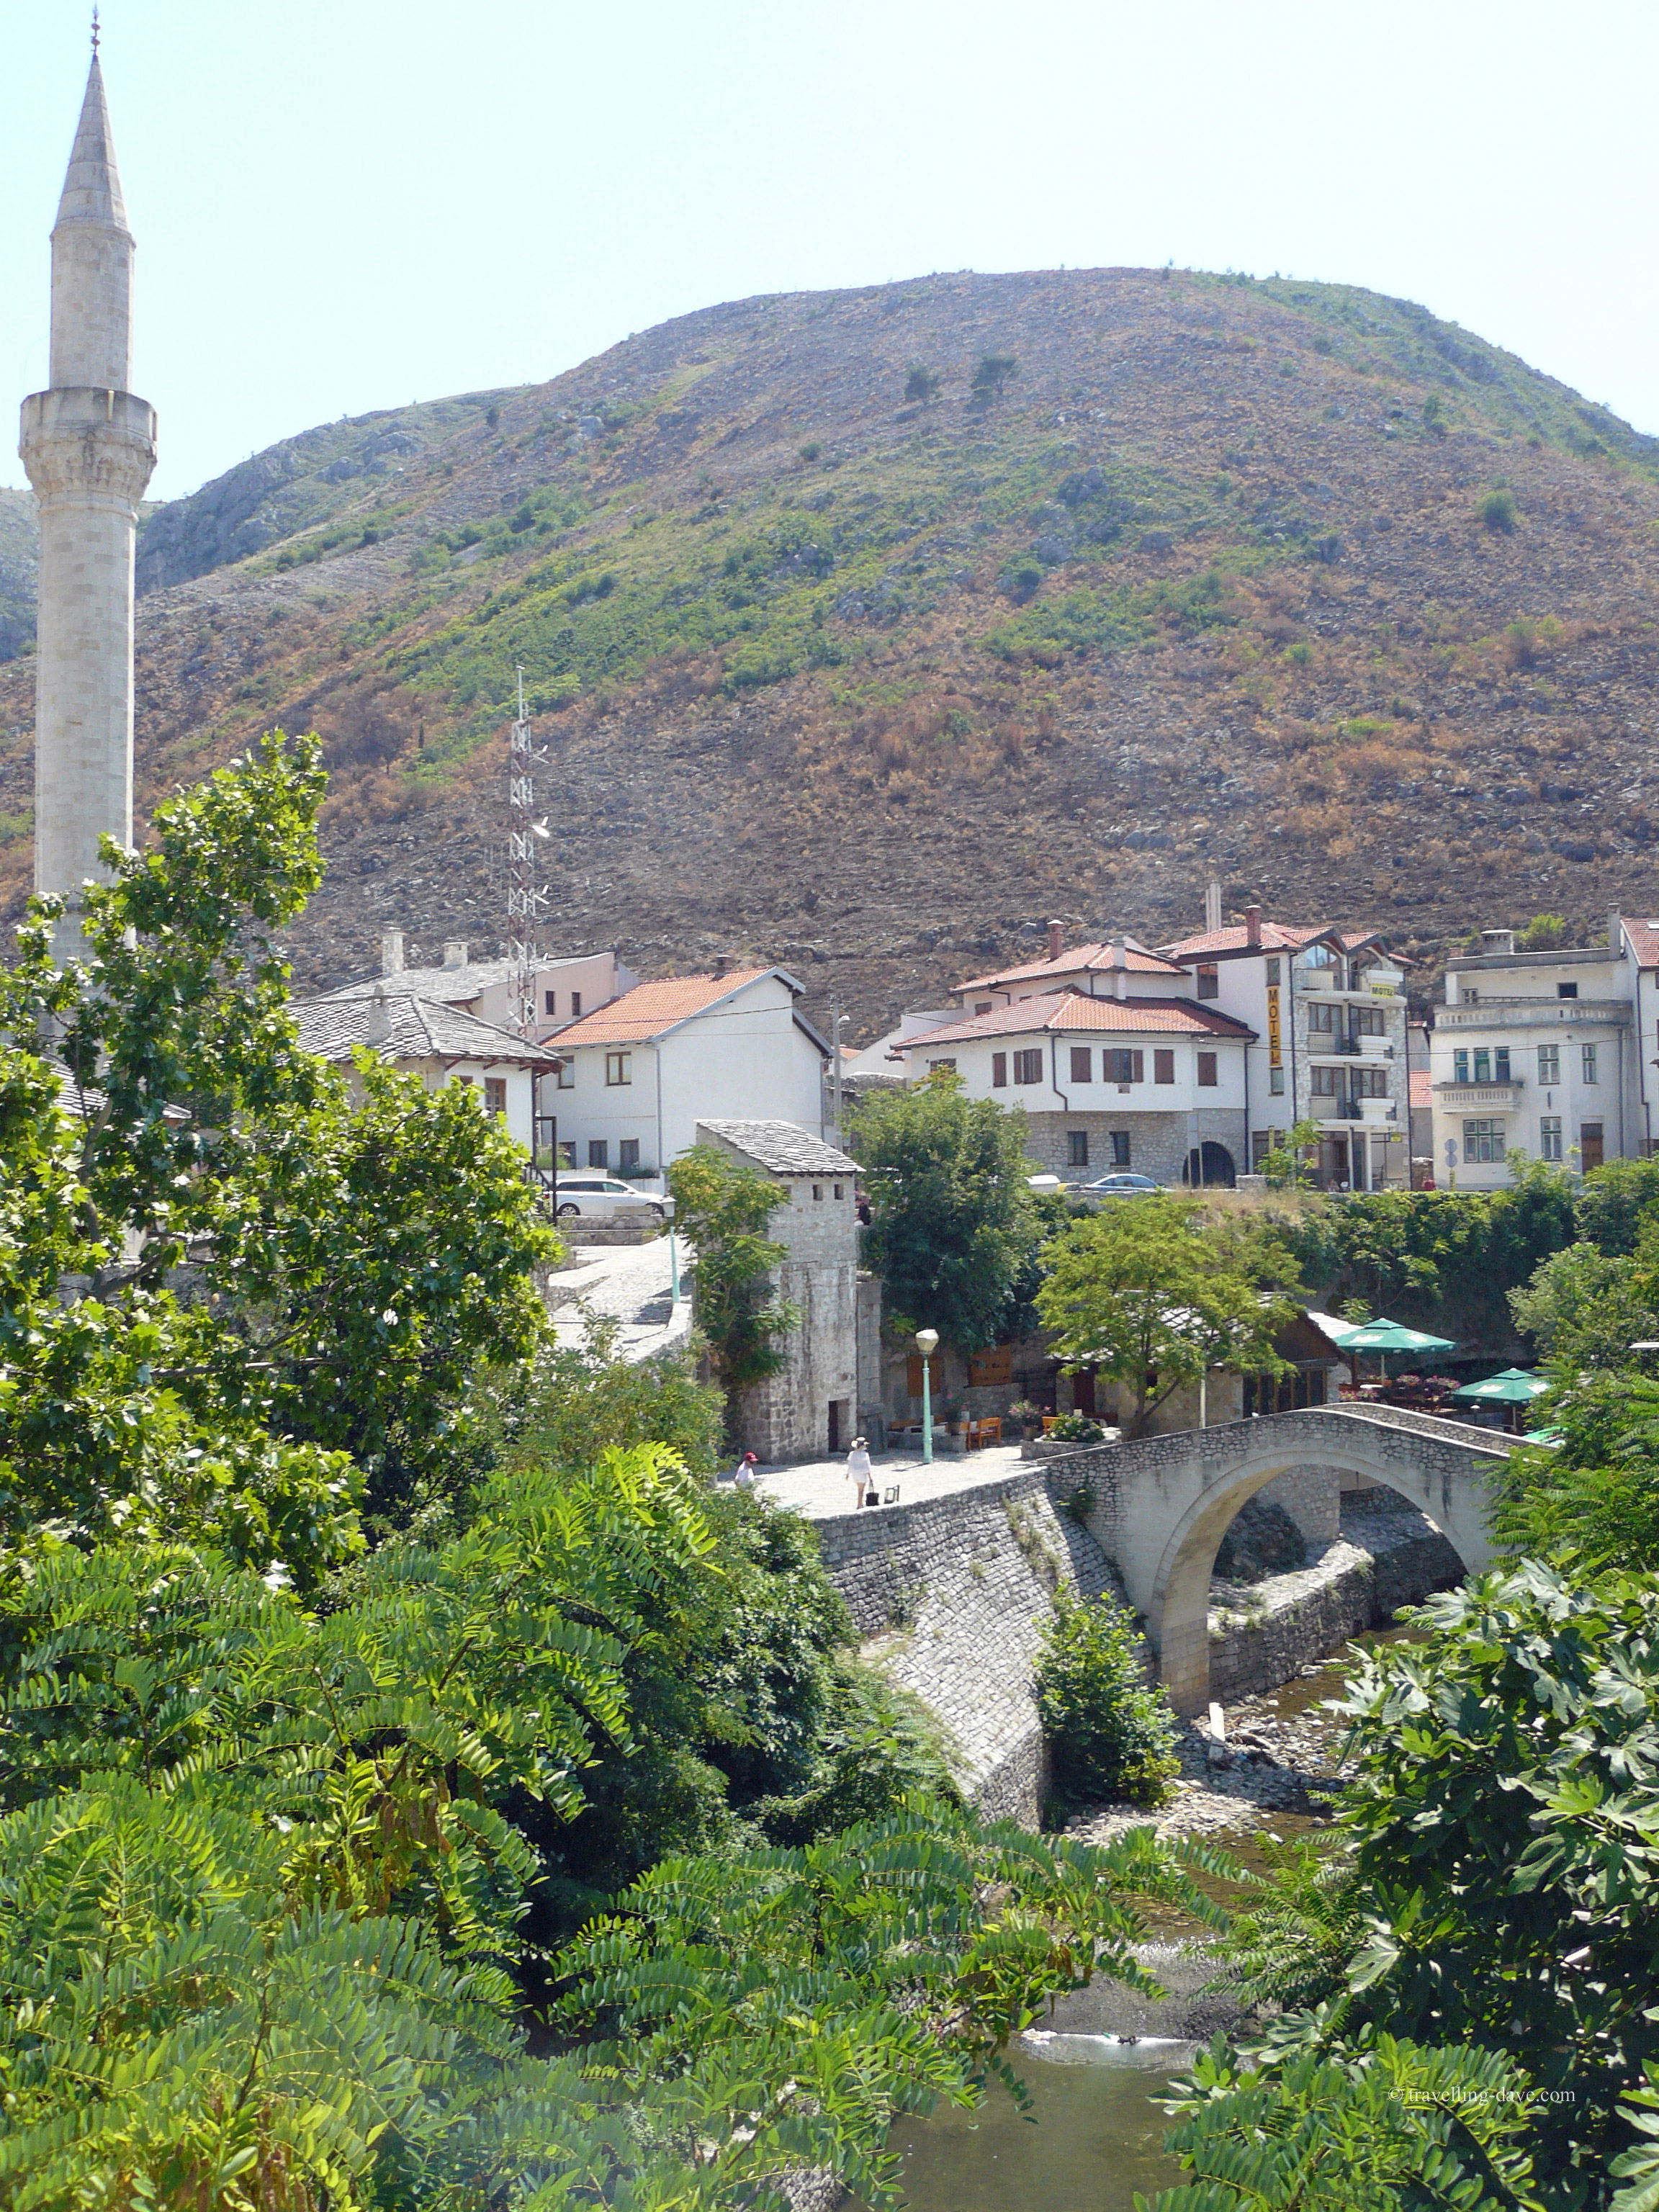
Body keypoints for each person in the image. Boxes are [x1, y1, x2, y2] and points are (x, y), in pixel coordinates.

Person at [846, 1436, 876, 1508]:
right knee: (861, 1490)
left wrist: (848, 1474)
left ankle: (860, 1503)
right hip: (862, 1473)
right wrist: (870, 1476)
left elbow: (850, 1464)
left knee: (859, 1489)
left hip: (855, 1473)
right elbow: (867, 1466)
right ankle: (859, 1504)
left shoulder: (852, 1454)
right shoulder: (865, 1454)